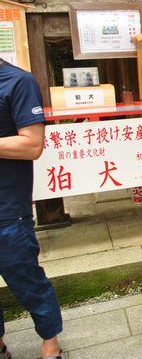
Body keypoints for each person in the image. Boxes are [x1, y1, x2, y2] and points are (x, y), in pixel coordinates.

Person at [0, 58, 62, 359]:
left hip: (8, 206)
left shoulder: (18, 81)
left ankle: (51, 343)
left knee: (26, 278)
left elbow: (33, 145)